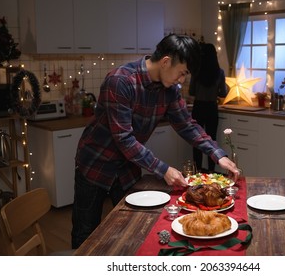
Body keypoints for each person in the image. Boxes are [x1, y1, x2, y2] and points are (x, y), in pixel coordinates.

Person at [71, 34, 240, 249]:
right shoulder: (120, 81)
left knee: (132, 229)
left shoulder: (170, 91)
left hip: (128, 167)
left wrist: (219, 155)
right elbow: (124, 140)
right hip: (95, 164)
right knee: (86, 234)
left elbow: (187, 125)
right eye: (182, 73)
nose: (181, 80)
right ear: (166, 61)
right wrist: (164, 169)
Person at [189, 43, 227, 172]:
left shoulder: (196, 72)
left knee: (197, 140)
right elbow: (223, 93)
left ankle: (197, 170)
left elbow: (191, 91)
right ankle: (211, 171)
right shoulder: (219, 72)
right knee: (212, 140)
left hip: (198, 107)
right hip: (212, 107)